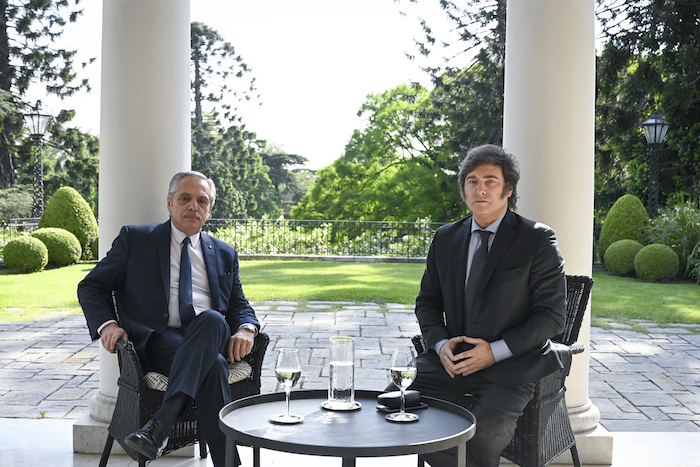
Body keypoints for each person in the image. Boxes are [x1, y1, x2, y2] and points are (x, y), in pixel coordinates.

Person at [78, 171, 259, 467]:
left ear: (209, 208)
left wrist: (247, 329)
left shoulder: (225, 253)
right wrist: (107, 325)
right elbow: (91, 286)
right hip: (159, 342)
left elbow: (240, 305)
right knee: (212, 366)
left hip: (210, 335)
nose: (193, 206)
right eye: (185, 198)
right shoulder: (137, 240)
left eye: (202, 201)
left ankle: (159, 427)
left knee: (212, 320)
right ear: (169, 203)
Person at [406, 145, 567, 467]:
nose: (480, 189)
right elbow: (427, 302)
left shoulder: (537, 239)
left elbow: (551, 316)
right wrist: (439, 345)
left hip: (512, 366)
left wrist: (494, 351)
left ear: (508, 189)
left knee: (481, 438)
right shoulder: (446, 237)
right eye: (472, 181)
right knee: (390, 410)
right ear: (463, 189)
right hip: (451, 362)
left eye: (491, 181)